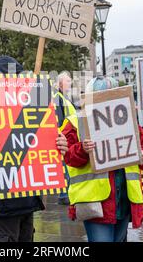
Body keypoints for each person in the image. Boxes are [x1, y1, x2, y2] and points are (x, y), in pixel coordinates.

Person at [0, 56, 69, 242]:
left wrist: (58, 144)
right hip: (1, 207)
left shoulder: (33, 109)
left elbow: (43, 144)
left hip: (28, 202)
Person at [62, 76, 143, 242]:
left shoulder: (127, 120)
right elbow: (67, 156)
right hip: (96, 202)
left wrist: (141, 155)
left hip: (124, 200)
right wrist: (83, 149)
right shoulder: (75, 122)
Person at [53, 71, 77, 205]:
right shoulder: (58, 97)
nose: (70, 83)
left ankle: (65, 193)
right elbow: (59, 119)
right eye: (68, 81)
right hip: (64, 138)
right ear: (60, 83)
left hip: (67, 137)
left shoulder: (62, 97)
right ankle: (64, 194)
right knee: (65, 167)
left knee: (66, 167)